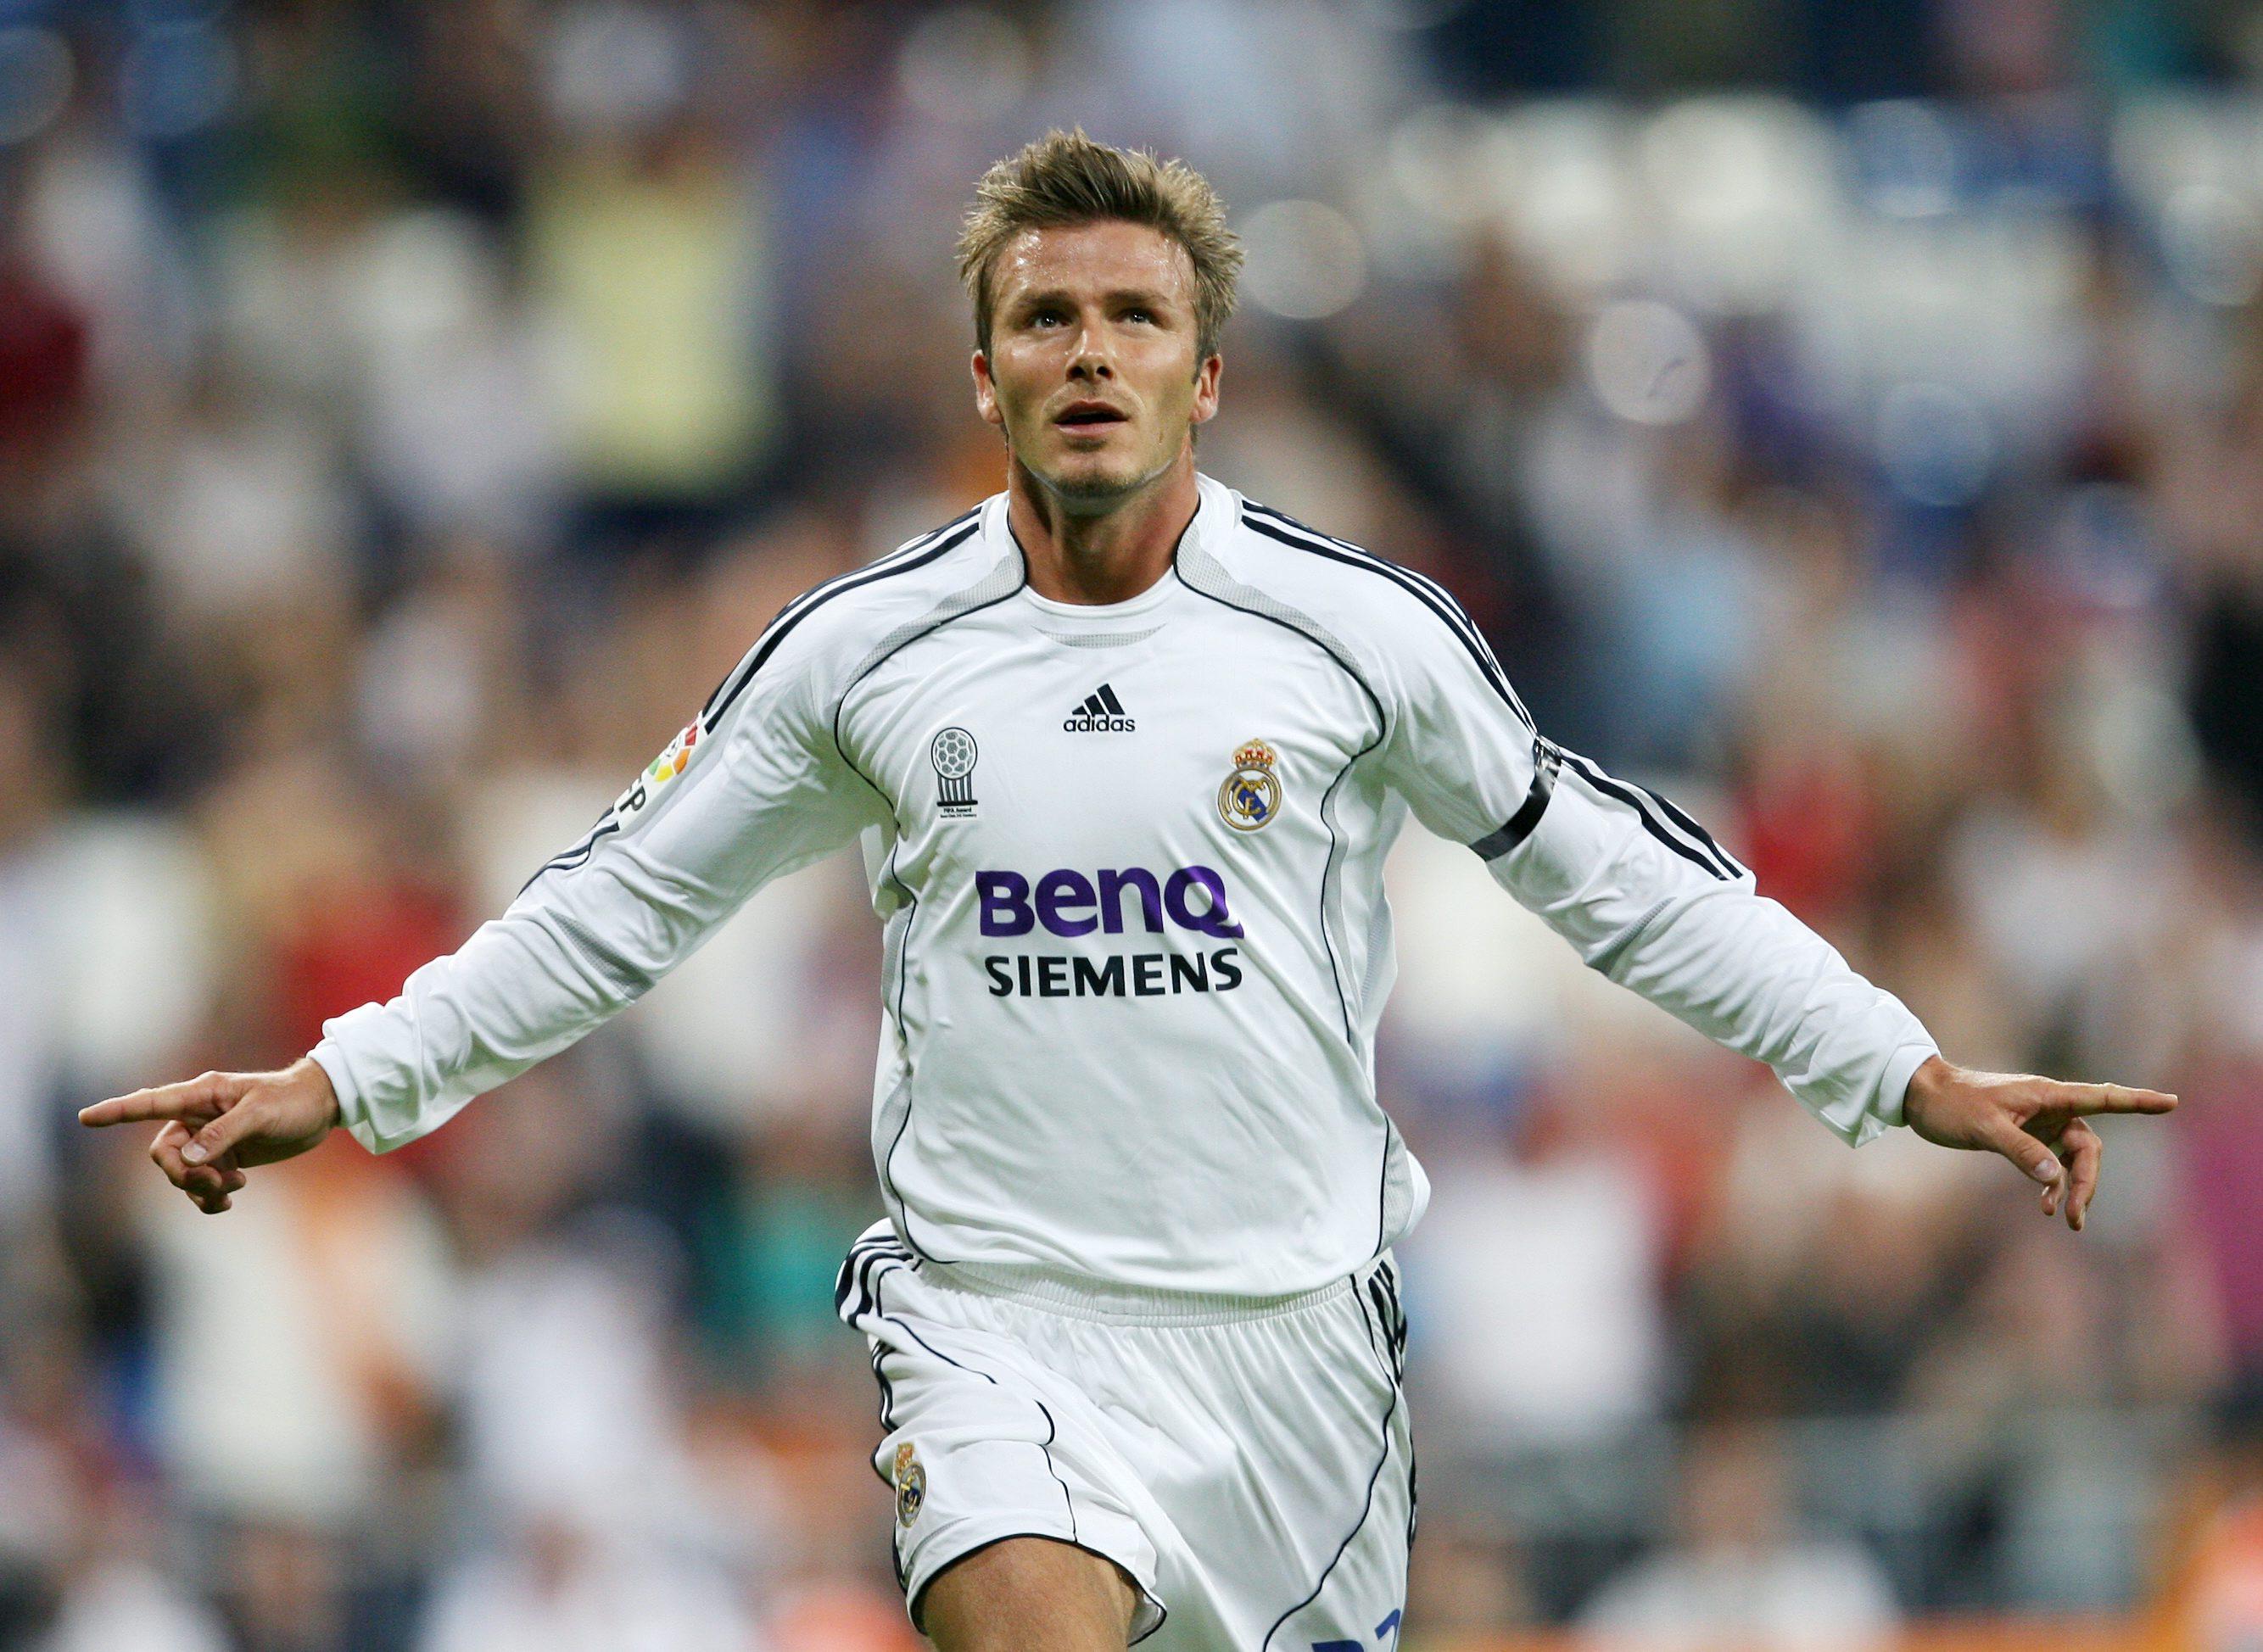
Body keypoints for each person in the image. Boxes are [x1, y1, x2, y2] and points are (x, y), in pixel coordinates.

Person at [81, 131, 2176, 1652]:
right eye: (1044, 318)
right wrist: (342, 1080)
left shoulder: (1356, 632)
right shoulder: (863, 651)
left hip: (1293, 1350)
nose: (1090, 351)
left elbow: (1625, 877)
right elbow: (613, 901)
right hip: (996, 1321)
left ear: (1206, 370)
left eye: (1134, 316)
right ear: (983, 375)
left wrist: (1897, 1067)